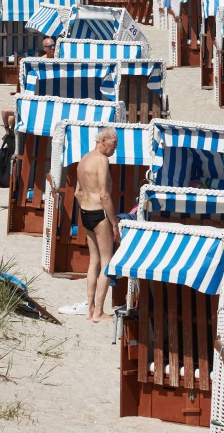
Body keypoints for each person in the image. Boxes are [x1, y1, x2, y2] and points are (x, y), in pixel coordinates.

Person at [77, 127, 121, 322]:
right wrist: (113, 223)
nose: (115, 148)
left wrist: (87, 207)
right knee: (107, 262)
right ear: (103, 141)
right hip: (100, 214)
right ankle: (99, 312)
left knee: (93, 261)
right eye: (114, 143)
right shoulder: (102, 160)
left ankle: (89, 309)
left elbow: (78, 192)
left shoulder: (84, 159)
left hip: (85, 212)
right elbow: (104, 194)